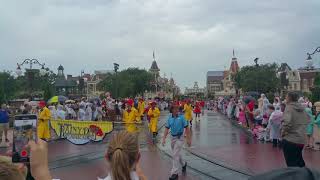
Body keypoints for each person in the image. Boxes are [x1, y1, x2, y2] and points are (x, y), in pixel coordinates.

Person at [162, 105, 191, 180]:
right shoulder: (170, 118)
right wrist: (164, 139)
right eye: (174, 109)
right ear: (171, 110)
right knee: (177, 153)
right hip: (172, 138)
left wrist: (188, 139)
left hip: (180, 138)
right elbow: (166, 129)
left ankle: (174, 173)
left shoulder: (182, 117)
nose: (176, 110)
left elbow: (187, 128)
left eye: (177, 108)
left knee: (175, 154)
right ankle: (184, 164)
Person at [282, 92, 309, 167]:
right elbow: (308, 119)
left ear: (289, 98)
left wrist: (282, 133)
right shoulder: (302, 108)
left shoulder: (289, 107)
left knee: (291, 163)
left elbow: (287, 123)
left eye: (286, 97)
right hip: (301, 139)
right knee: (299, 161)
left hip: (290, 139)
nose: (285, 98)